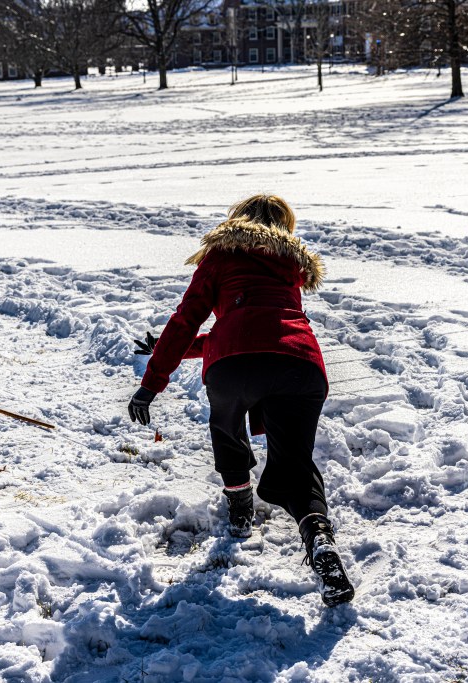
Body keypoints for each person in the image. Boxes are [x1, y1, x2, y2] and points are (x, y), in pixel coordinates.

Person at [126, 194, 355, 607]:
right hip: (300, 365)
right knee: (296, 465)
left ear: (236, 218)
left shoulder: (219, 256)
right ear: (284, 227)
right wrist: (168, 349)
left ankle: (240, 507)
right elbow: (256, 327)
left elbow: (202, 325)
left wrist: (152, 381)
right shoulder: (291, 265)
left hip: (234, 368)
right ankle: (319, 538)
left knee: (227, 429)